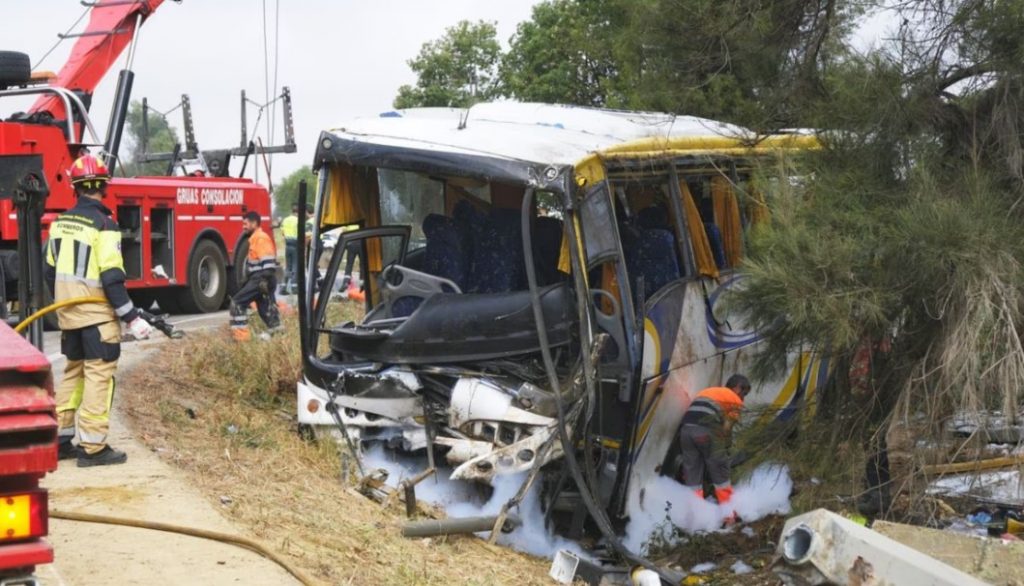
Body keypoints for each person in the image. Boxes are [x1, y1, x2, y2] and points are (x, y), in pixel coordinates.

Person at [46, 154, 155, 467]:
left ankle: (61, 440)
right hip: (96, 315)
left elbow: (49, 270)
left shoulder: (60, 223)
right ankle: (93, 447)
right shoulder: (105, 225)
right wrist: (132, 318)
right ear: (104, 186)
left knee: (73, 372)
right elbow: (111, 276)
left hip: (68, 313)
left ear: (75, 187)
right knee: (99, 376)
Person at [678, 374, 751, 517]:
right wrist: (726, 447)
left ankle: (696, 517)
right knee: (720, 475)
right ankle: (730, 516)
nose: (743, 398)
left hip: (685, 432)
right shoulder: (734, 399)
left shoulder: (708, 391)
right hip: (706, 431)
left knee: (692, 477)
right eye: (744, 393)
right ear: (737, 388)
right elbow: (726, 428)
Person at [229, 211, 281, 341]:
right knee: (266, 309)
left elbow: (268, 263)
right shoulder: (255, 239)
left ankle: (241, 339)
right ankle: (278, 335)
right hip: (260, 279)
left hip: (261, 279)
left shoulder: (261, 238)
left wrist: (263, 280)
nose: (243, 227)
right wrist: (246, 280)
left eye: (245, 224)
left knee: (237, 303)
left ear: (254, 223)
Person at [280, 204, 299, 294]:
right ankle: (294, 287)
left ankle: (283, 287)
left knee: (288, 266)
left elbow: (282, 232)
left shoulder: (285, 220)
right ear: (298, 212)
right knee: (295, 266)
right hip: (295, 244)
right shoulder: (298, 220)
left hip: (287, 244)